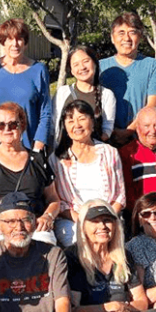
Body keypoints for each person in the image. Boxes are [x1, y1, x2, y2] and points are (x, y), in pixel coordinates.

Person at [0, 102, 59, 245]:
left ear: (22, 126)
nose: (7, 129)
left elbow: (53, 199)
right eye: (0, 125)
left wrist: (48, 216)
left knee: (45, 246)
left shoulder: (38, 160)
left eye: (13, 124)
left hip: (33, 229)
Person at [49, 100, 125, 247]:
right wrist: (85, 221)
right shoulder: (57, 159)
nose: (76, 125)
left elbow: (120, 197)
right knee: (79, 246)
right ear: (64, 125)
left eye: (82, 119)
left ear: (92, 121)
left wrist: (103, 220)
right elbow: (59, 202)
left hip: (107, 217)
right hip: (73, 220)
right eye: (70, 120)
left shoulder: (110, 152)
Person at [0, 18, 52, 151]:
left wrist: (38, 146)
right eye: (9, 39)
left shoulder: (39, 70)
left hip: (28, 148)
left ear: (25, 42)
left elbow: (45, 112)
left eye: (19, 39)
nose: (15, 44)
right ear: (3, 42)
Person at [99, 12, 156, 147]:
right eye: (121, 33)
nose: (126, 38)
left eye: (132, 32)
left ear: (139, 37)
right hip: (105, 140)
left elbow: (152, 105)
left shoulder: (152, 66)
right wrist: (110, 130)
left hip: (141, 140)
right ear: (112, 38)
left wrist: (129, 131)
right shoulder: (100, 67)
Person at [53, 46, 116, 143]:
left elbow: (107, 130)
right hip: (65, 154)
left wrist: (87, 147)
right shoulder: (62, 93)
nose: (82, 67)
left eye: (86, 61)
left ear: (95, 63)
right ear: (72, 71)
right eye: (76, 64)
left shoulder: (106, 95)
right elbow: (54, 126)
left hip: (94, 153)